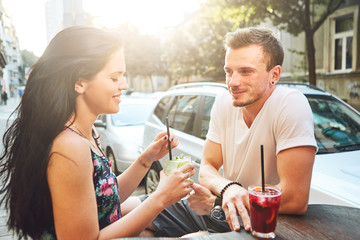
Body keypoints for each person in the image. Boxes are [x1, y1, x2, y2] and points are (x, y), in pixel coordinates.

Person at [0, 26, 195, 239]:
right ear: (80, 83)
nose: (125, 84)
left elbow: (105, 199)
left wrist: (145, 160)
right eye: (114, 78)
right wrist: (161, 197)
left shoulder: (86, 132)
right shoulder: (70, 146)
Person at [148, 27, 317, 237]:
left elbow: (295, 198)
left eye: (246, 71)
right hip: (218, 208)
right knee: (130, 214)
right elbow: (207, 167)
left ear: (274, 74)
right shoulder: (223, 101)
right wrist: (229, 189)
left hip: (258, 223)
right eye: (229, 71)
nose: (233, 82)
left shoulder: (290, 104)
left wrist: (219, 200)